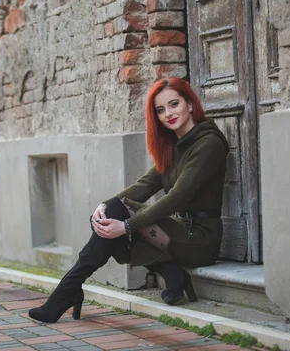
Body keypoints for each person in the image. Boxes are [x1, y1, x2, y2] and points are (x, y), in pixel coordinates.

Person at [29, 77, 230, 323]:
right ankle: (170, 274)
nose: (168, 113)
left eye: (174, 104)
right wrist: (103, 205)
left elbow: (178, 197)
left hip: (200, 240)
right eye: (160, 110)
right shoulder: (174, 146)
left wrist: (126, 226)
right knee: (109, 216)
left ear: (190, 104)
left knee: (118, 222)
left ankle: (68, 290)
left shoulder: (208, 143)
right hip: (179, 233)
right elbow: (144, 185)